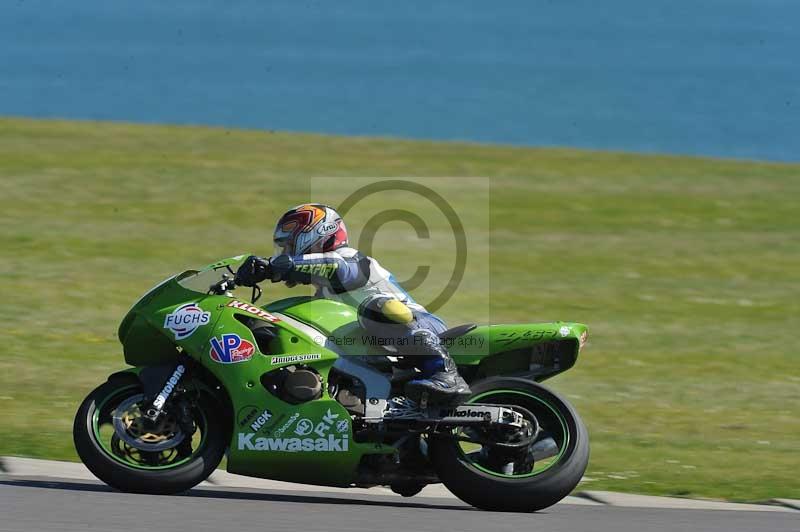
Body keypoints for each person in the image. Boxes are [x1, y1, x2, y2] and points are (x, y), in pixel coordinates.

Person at [234, 203, 470, 404]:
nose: (286, 252)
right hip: (383, 353)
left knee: (375, 308)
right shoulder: (324, 296)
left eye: (289, 245)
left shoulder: (352, 261)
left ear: (316, 237)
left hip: (424, 327)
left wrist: (275, 266)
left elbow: (333, 266)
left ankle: (444, 374)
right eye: (283, 249)